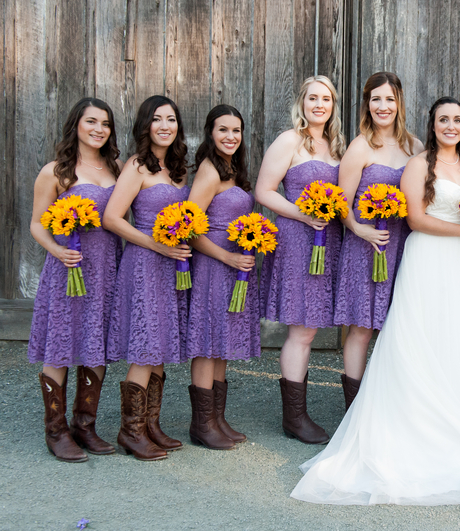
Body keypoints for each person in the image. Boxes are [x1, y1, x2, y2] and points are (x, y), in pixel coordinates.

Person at [290, 97, 460, 505]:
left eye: (458, 120)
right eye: (444, 119)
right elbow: (416, 219)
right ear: (432, 124)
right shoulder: (419, 164)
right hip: (431, 258)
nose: (451, 126)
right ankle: (421, 423)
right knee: (428, 336)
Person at [28, 98, 122, 462]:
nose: (99, 129)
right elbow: (37, 223)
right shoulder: (56, 171)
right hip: (69, 268)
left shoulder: (114, 169)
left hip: (106, 268)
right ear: (76, 125)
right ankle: (56, 430)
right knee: (61, 342)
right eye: (91, 122)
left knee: (95, 341)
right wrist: (57, 250)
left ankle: (86, 425)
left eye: (105, 123)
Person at [257, 76, 345, 444]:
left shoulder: (339, 145)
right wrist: (302, 213)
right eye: (313, 98)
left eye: (326, 98)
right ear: (302, 102)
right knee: (303, 328)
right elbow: (263, 191)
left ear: (333, 105)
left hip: (332, 241)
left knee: (313, 326)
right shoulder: (290, 140)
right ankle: (294, 416)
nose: (319, 104)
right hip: (298, 240)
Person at [104, 95, 191, 461]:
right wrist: (157, 246)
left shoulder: (179, 169)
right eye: (157, 120)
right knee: (145, 343)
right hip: (144, 263)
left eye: (171, 119)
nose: (165, 126)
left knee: (160, 344)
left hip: (173, 267)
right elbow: (112, 217)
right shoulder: (137, 166)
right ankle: (131, 431)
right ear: (146, 126)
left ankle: (151, 425)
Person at [333, 72, 424, 408]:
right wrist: (360, 230)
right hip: (365, 248)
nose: (383, 106)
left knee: (398, 329)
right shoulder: (360, 147)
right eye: (376, 99)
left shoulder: (415, 147)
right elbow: (341, 204)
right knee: (361, 329)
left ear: (399, 102)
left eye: (389, 99)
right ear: (367, 104)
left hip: (402, 248)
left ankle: (393, 407)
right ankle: (354, 410)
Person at [186, 105, 260, 450]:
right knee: (207, 342)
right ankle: (202, 424)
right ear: (210, 133)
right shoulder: (209, 172)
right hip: (212, 265)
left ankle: (216, 417)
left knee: (222, 341)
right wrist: (227, 255)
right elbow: (188, 229)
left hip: (234, 268)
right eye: (223, 130)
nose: (231, 137)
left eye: (236, 130)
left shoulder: (232, 169)